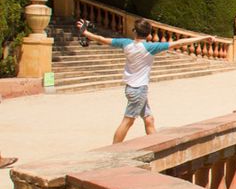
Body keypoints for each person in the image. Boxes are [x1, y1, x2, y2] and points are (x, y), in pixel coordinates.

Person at [77, 18, 214, 143]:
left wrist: (86, 32)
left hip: (132, 88)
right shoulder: (150, 48)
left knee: (149, 119)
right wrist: (202, 38)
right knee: (127, 122)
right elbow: (178, 43)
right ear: (148, 34)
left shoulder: (126, 44)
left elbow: (102, 39)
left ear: (135, 32)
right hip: (139, 90)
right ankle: (114, 150)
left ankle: (155, 144)